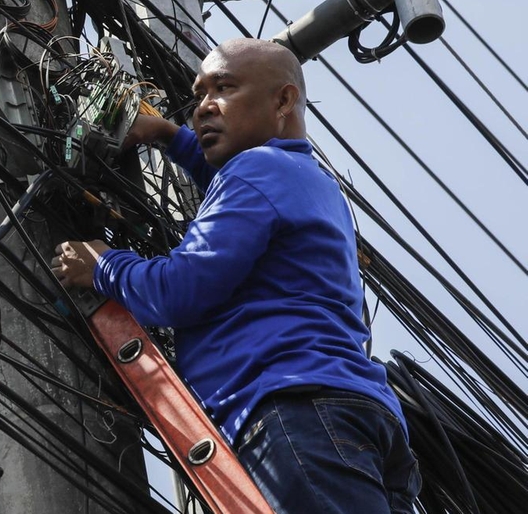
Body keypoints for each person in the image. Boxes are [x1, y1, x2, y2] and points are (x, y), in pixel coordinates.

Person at [51, 39, 419, 513]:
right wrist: (168, 134)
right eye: (199, 92)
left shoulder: (254, 170)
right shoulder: (304, 177)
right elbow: (236, 194)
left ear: (283, 101)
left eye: (224, 88)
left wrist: (103, 264)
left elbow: (180, 290)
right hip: (353, 418)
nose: (203, 106)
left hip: (291, 409)